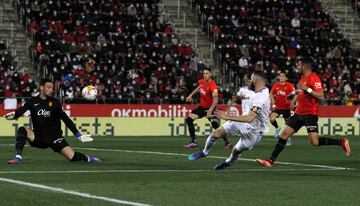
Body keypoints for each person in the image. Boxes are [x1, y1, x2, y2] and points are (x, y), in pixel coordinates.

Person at [256, 59, 351, 167]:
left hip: (310, 114)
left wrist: (308, 89)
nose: (298, 67)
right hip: (298, 113)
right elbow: (301, 91)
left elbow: (322, 96)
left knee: (314, 142)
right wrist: (293, 94)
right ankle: (270, 160)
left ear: (305, 66)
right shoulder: (302, 78)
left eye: (299, 65)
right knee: (284, 134)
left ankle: (341, 142)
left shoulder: (314, 78)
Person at [4, 78, 101, 164]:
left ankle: (88, 158)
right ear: (41, 88)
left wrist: (78, 135)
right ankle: (18, 157)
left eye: (52, 87)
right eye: (49, 87)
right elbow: (20, 112)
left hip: (54, 137)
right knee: (22, 130)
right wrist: (13, 116)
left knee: (72, 157)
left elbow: (66, 119)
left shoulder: (55, 103)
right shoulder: (32, 102)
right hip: (39, 137)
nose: (51, 90)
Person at [188, 71, 270, 171]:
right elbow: (241, 99)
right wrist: (230, 106)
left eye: (251, 80)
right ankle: (205, 152)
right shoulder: (257, 91)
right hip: (241, 122)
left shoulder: (261, 98)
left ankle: (228, 162)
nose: (249, 82)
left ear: (255, 81)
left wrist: (227, 117)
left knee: (236, 150)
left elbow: (249, 118)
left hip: (253, 131)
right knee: (216, 133)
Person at [184, 68, 231, 149]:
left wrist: (209, 110)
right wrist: (190, 95)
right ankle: (193, 142)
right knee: (189, 119)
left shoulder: (213, 85)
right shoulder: (202, 81)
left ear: (211, 74)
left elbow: (216, 100)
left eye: (207, 73)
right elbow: (199, 88)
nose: (205, 75)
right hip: (202, 107)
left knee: (215, 125)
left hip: (210, 108)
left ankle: (226, 142)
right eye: (204, 73)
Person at [269, 71, 295, 145]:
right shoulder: (276, 85)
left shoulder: (289, 85)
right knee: (272, 119)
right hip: (278, 107)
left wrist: (293, 102)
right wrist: (273, 100)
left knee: (288, 126)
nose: (281, 77)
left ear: (286, 78)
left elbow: (295, 93)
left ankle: (288, 139)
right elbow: (271, 94)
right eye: (280, 76)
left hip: (286, 108)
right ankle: (277, 128)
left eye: (283, 76)